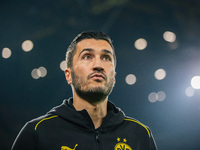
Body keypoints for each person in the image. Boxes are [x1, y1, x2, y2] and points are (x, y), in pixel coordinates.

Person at [12, 31, 157, 150]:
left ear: (114, 78)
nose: (98, 65)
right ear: (69, 75)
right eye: (87, 56)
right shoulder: (38, 132)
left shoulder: (141, 135)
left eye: (106, 58)